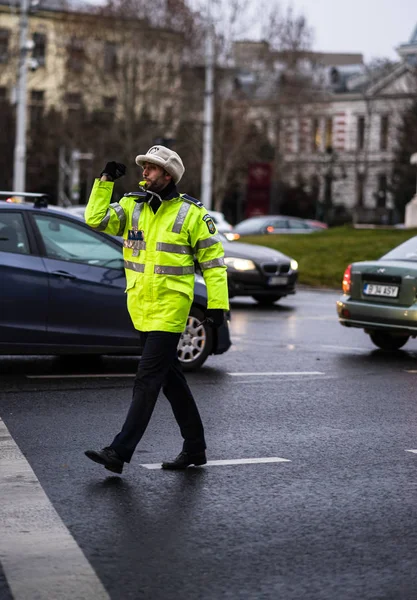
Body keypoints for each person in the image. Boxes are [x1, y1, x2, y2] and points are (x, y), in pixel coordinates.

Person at [84, 145, 229, 474]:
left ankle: (119, 451)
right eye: (144, 167)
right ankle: (195, 448)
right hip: (140, 306)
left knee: (147, 379)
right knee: (171, 380)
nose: (145, 172)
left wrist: (218, 305)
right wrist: (104, 180)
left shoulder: (191, 214)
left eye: (151, 168)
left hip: (170, 310)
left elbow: (214, 265)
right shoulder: (131, 206)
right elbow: (94, 219)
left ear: (168, 175)